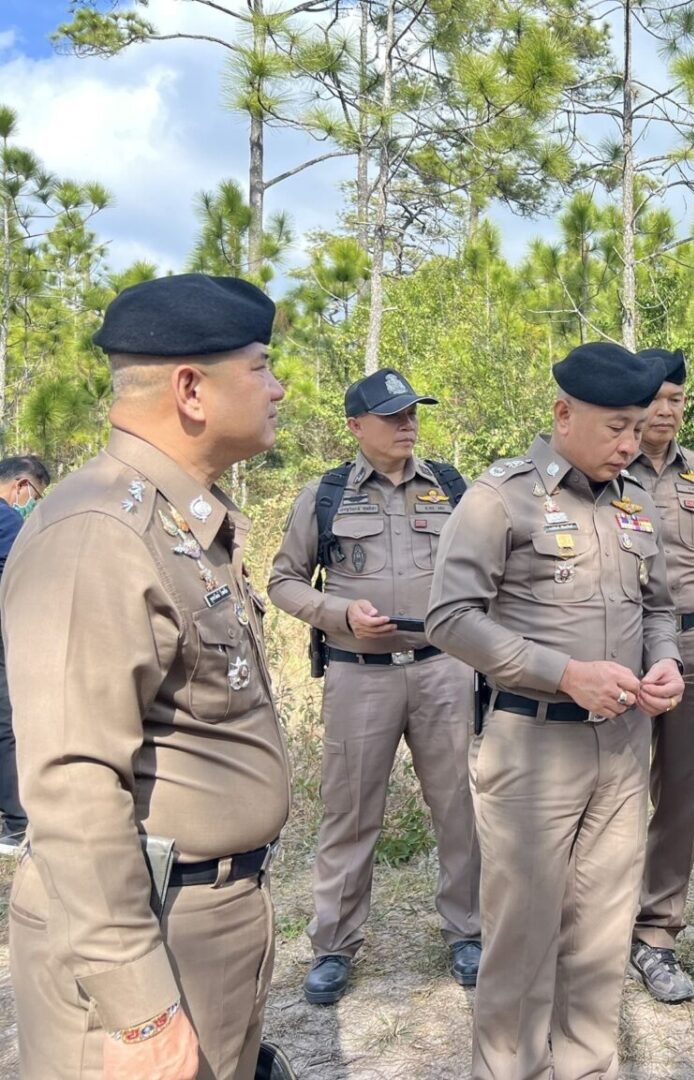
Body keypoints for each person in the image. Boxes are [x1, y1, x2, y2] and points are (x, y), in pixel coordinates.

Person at [3, 273, 289, 1079]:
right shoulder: (100, 531)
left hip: (206, 917)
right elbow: (71, 780)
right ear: (191, 389)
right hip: (148, 928)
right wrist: (138, 1010)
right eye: (261, 367)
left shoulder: (180, 520)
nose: (278, 388)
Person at [426, 341, 685, 1080]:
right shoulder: (498, 497)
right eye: (616, 428)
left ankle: (584, 1068)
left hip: (624, 747)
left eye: (639, 427)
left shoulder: (635, 500)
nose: (631, 443)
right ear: (563, 414)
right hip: (533, 751)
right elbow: (450, 617)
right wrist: (563, 673)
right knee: (523, 936)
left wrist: (661, 661)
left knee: (601, 938)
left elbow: (660, 607)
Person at [268, 368, 482, 1005]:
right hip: (359, 677)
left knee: (460, 808)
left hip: (443, 668)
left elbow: (486, 571)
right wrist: (340, 614)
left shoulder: (451, 488)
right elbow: (283, 581)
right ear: (356, 426)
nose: (408, 425)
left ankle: (468, 932)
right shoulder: (325, 495)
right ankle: (333, 944)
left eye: (413, 413)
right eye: (393, 416)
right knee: (350, 811)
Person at [624, 347, 694, 1003]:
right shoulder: (606, 469)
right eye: (656, 397)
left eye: (677, 399)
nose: (667, 410)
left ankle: (657, 934)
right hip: (618, 644)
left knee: (683, 792)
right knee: (609, 788)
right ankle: (596, 924)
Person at [0, 453, 49, 852]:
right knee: (6, 721)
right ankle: (17, 826)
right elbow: (27, 579)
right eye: (34, 493)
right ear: (20, 485)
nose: (31, 500)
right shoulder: (7, 521)